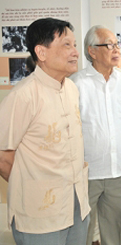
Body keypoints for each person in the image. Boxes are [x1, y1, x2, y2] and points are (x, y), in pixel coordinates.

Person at [0, 18, 90, 244]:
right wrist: (32, 186)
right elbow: (3, 157)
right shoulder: (23, 96)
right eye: (66, 45)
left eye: (75, 44)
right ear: (41, 52)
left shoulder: (71, 89)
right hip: (39, 217)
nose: (76, 52)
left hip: (77, 205)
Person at [70, 25, 121, 245]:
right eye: (110, 45)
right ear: (92, 51)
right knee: (83, 232)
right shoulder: (76, 83)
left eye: (117, 44)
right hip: (87, 172)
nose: (116, 49)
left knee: (115, 231)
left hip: (117, 171)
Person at [90, 55, 121, 245]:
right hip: (117, 152)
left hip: (117, 151)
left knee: (109, 202)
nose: (118, 55)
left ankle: (99, 238)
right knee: (120, 201)